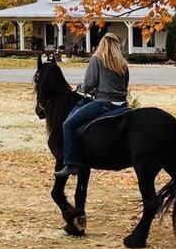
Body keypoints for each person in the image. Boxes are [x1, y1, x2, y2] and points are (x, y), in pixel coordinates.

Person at [54, 32, 130, 177]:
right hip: (122, 104)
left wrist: (78, 87)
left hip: (104, 103)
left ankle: (70, 164)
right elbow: (125, 85)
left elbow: (89, 84)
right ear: (116, 46)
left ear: (102, 44)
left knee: (68, 125)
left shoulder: (97, 59)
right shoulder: (123, 63)